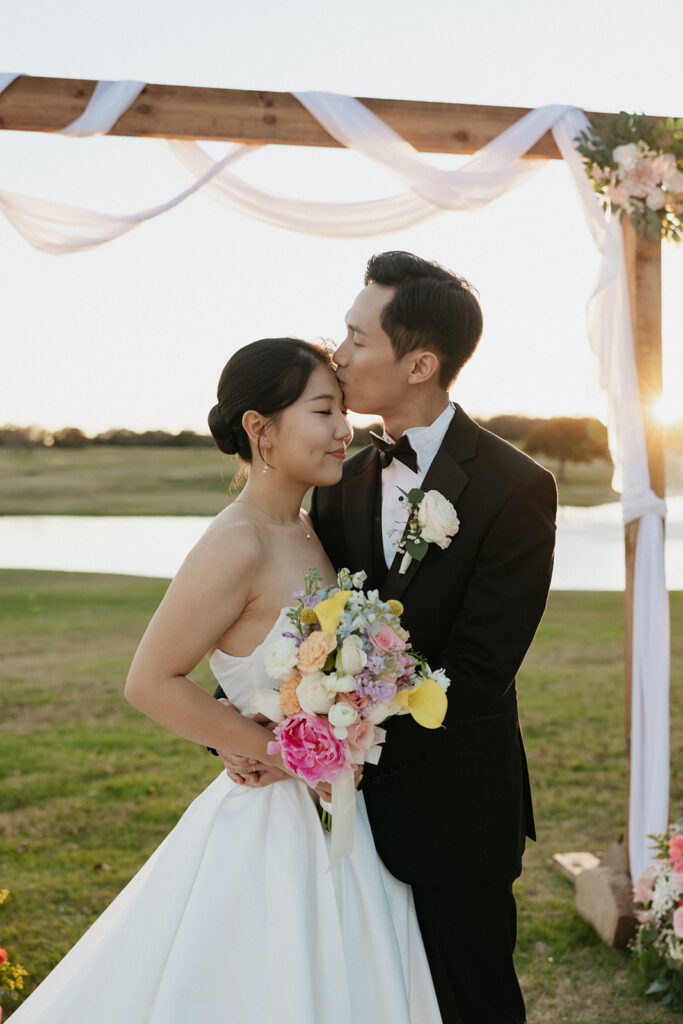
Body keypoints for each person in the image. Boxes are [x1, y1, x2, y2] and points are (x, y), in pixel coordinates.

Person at [9, 337, 442, 1024]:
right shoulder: (234, 541)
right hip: (269, 826)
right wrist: (279, 752)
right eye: (324, 410)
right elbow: (150, 681)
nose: (343, 429)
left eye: (342, 411)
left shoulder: (305, 527)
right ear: (260, 429)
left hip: (339, 818)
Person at [225, 254, 557, 1024]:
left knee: (471, 999)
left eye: (354, 336)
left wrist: (329, 746)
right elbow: (302, 617)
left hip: (454, 806)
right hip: (335, 815)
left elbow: (476, 673)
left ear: (419, 363)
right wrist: (246, 723)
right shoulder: (344, 475)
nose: (336, 354)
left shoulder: (516, 489)